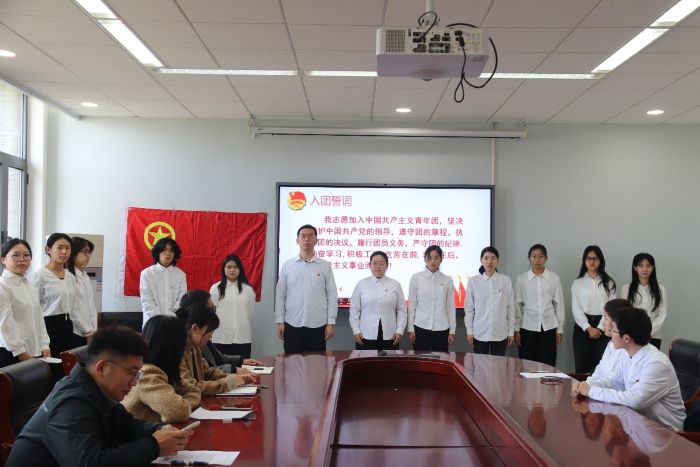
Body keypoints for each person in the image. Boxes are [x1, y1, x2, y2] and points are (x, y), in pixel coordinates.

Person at [6, 326, 191, 466]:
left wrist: (160, 429)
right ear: (102, 368)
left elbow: (128, 426)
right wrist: (154, 446)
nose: (135, 382)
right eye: (131, 372)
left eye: (138, 374)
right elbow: (87, 463)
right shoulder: (71, 402)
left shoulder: (98, 392)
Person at [571, 307, 686, 431]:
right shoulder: (628, 354)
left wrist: (591, 391)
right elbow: (612, 382)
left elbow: (635, 400)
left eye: (613, 329)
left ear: (626, 338)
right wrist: (586, 385)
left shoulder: (656, 363)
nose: (610, 332)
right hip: (639, 424)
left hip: (665, 432)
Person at [122, 315, 200, 423]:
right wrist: (184, 404)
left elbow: (194, 390)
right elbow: (176, 413)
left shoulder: (164, 370)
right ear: (173, 347)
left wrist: (183, 404)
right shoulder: (147, 374)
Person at [275, 224, 338, 354]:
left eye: (310, 236)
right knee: (291, 362)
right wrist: (280, 321)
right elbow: (280, 295)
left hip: (318, 324)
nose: (306, 239)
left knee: (317, 362)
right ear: (297, 241)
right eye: (303, 236)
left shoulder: (325, 266)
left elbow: (332, 295)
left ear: (316, 240)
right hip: (292, 323)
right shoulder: (287, 266)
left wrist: (330, 323)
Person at [177, 302, 255, 396]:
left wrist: (235, 378)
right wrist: (227, 383)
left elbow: (207, 373)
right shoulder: (175, 350)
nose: (210, 338)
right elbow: (191, 387)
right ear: (195, 329)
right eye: (209, 334)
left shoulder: (194, 347)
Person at [179, 290, 263, 373]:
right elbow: (206, 372)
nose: (213, 312)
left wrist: (241, 361)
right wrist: (234, 371)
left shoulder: (199, 336)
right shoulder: (186, 344)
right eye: (212, 308)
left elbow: (219, 359)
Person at [0, 239, 50, 367]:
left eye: (26, 255)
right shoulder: (3, 286)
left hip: (33, 350)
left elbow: (39, 317)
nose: (22, 259)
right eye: (16, 255)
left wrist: (44, 345)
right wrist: (22, 353)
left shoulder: (28, 284)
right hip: (12, 353)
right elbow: (6, 325)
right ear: (3, 259)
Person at [514, 244, 565, 366]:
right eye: (534, 256)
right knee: (527, 364)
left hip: (548, 327)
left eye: (541, 256)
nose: (537, 260)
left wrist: (559, 329)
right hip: (527, 326)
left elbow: (559, 305)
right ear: (529, 258)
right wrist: (516, 329)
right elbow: (517, 305)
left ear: (546, 258)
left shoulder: (554, 278)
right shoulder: (522, 279)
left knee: (548, 363)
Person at [349, 251, 407, 351]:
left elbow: (402, 310)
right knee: (367, 360)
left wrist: (400, 330)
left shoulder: (395, 285)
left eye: (381, 264)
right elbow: (354, 309)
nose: (378, 267)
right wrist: (356, 330)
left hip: (390, 335)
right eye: (374, 263)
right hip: (365, 334)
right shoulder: (361, 284)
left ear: (387, 265)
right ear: (369, 265)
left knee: (388, 360)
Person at [571, 245, 616, 374]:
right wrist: (588, 328)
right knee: (581, 366)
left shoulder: (609, 283)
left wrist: (600, 328)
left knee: (601, 367)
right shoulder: (578, 283)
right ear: (584, 261)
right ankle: (581, 388)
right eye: (588, 258)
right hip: (582, 327)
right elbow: (576, 308)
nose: (592, 261)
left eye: (595, 258)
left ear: (600, 260)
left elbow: (611, 307)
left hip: (604, 327)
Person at [31, 233, 76, 358]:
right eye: (59, 247)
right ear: (48, 250)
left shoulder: (71, 277)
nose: (64, 252)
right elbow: (33, 308)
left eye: (67, 248)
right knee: (50, 364)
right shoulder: (39, 275)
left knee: (65, 363)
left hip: (67, 324)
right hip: (47, 325)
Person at [465, 246, 515, 356]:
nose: (489, 262)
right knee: (480, 365)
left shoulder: (505, 281)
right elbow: (469, 308)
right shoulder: (474, 281)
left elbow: (511, 307)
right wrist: (469, 331)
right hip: (480, 332)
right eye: (486, 258)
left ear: (498, 260)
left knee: (498, 364)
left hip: (500, 332)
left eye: (493, 258)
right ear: (481, 260)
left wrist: (511, 331)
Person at [407, 245, 456, 352]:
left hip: (441, 328)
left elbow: (450, 307)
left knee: (440, 359)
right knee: (420, 359)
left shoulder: (447, 280)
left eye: (436, 258)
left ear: (441, 259)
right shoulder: (416, 278)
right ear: (425, 259)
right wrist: (411, 329)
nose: (433, 261)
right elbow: (412, 305)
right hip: (420, 326)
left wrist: (452, 331)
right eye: (429, 258)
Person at [210, 254, 255, 359]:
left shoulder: (248, 289)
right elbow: (212, 312)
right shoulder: (216, 288)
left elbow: (250, 313)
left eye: (235, 267)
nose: (232, 270)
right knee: (221, 367)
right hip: (221, 336)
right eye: (229, 267)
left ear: (240, 269)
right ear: (224, 269)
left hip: (242, 337)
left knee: (243, 366)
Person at [621, 253, 666, 350]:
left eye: (648, 266)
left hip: (653, 335)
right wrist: (634, 331)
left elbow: (662, 314)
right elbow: (625, 313)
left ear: (653, 268)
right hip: (632, 335)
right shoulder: (626, 288)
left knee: (651, 359)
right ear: (635, 268)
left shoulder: (660, 289)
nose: (645, 269)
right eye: (641, 266)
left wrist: (649, 331)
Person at [585, 299, 632, 390]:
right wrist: (585, 385)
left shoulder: (627, 350)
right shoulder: (610, 345)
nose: (603, 322)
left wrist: (590, 389)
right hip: (599, 392)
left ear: (616, 322)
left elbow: (615, 384)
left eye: (606, 319)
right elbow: (598, 373)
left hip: (610, 395)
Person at [139, 237, 187, 327]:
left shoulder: (180, 275)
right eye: (164, 250)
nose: (168, 253)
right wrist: (160, 320)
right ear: (158, 252)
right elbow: (147, 301)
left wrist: (170, 318)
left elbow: (181, 300)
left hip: (174, 322)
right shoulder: (147, 273)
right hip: (152, 323)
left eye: (171, 251)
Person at [66, 236, 98, 348]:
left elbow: (91, 306)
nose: (88, 256)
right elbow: (73, 310)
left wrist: (93, 330)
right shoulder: (67, 276)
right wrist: (87, 331)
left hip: (90, 332)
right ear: (73, 253)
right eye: (84, 252)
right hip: (75, 332)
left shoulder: (85, 275)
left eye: (89, 252)